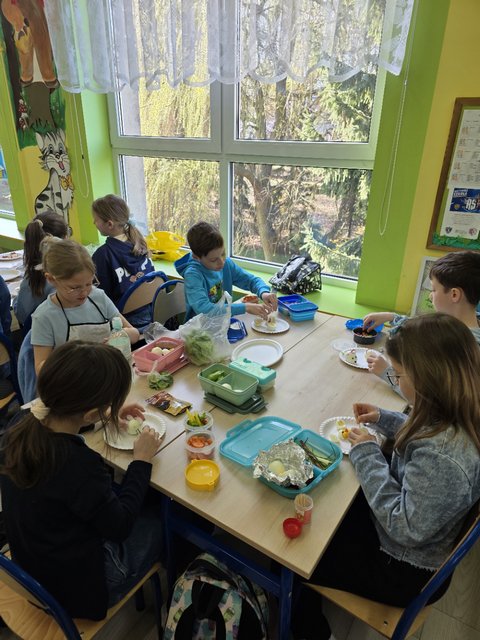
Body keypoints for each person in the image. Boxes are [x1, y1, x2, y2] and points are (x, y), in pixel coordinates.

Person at [292, 313, 480, 640]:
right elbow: (424, 434)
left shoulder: (445, 458)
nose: (393, 377)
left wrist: (366, 452)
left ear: (426, 379)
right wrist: (383, 418)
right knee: (328, 502)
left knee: (297, 553)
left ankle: (310, 630)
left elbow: (403, 526)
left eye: (397, 372)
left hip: (402, 566)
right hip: (410, 538)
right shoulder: (453, 409)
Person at [1, 340, 163, 620]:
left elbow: (64, 420)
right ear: (88, 412)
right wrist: (141, 461)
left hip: (30, 568)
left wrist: (105, 416)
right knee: (166, 520)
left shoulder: (21, 422)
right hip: (75, 593)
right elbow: (120, 526)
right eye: (109, 404)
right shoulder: (78, 465)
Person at [363, 250, 480, 390]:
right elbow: (427, 329)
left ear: (454, 294)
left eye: (434, 290)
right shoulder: (467, 323)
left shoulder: (460, 349)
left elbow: (426, 395)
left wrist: (387, 373)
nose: (430, 296)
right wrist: (392, 317)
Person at [30, 238, 140, 374]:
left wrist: (120, 336)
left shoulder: (98, 298)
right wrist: (72, 361)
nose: (84, 292)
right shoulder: (44, 316)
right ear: (51, 279)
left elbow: (135, 334)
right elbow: (40, 369)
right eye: (74, 288)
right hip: (74, 381)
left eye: (89, 284)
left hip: (108, 374)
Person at [175, 221, 278, 321]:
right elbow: (204, 310)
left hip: (222, 323)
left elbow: (250, 280)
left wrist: (263, 292)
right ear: (196, 257)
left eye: (223, 254)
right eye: (213, 260)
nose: (221, 262)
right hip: (199, 328)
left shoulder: (226, 263)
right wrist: (245, 307)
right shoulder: (193, 275)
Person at [91, 194, 155, 329]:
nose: (93, 223)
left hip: (126, 322)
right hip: (152, 313)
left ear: (109, 224)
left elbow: (100, 297)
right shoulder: (140, 243)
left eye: (95, 220)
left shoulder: (102, 255)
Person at [14, 210, 68, 329]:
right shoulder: (70, 273)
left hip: (37, 334)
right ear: (65, 238)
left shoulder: (32, 275)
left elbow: (22, 314)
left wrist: (17, 300)